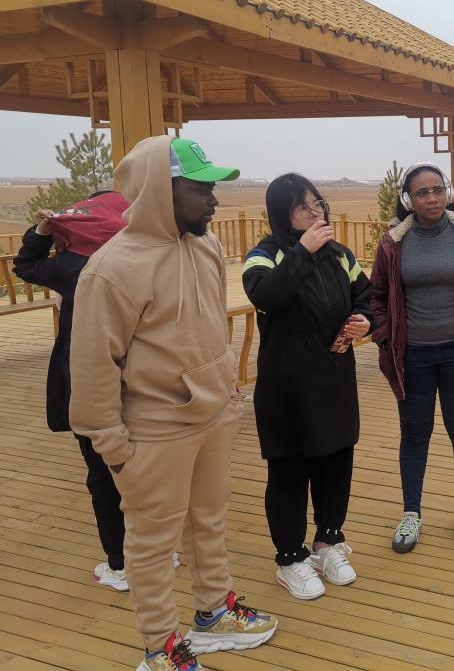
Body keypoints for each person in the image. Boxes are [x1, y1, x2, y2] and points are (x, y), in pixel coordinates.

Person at [69, 136, 277, 671]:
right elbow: (92, 369)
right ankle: (160, 647)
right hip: (155, 430)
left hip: (213, 415)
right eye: (201, 189)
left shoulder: (205, 246)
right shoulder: (111, 270)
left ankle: (213, 612)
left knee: (208, 521)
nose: (213, 200)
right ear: (161, 191)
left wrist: (226, 389)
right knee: (153, 542)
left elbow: (207, 326)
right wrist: (114, 449)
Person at [242, 174, 372, 600]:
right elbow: (268, 296)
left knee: (336, 462)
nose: (316, 213)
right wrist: (302, 252)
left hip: (334, 378)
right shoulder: (263, 257)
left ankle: (328, 542)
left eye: (318, 204)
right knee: (289, 471)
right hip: (287, 387)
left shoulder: (340, 255)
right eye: (303, 208)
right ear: (282, 214)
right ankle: (290, 558)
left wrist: (365, 320)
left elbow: (366, 295)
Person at [371, 162, 454, 554]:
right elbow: (377, 297)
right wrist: (384, 337)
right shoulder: (393, 242)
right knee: (414, 434)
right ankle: (411, 512)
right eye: (422, 192)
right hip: (411, 357)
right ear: (407, 199)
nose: (432, 198)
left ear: (447, 192)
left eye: (437, 189)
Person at [13, 190, 140, 590]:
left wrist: (42, 231)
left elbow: (25, 265)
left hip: (87, 383)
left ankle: (121, 564)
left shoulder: (71, 266)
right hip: (141, 379)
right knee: (144, 469)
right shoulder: (139, 258)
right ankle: (157, 550)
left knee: (102, 473)